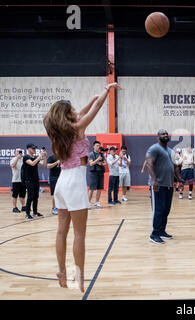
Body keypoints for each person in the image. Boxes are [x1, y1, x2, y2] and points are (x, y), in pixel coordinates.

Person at [43, 82, 121, 292]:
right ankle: (79, 277)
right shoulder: (77, 129)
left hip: (61, 182)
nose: (77, 111)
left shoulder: (59, 132)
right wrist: (107, 90)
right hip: (75, 182)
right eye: (73, 110)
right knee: (79, 234)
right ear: (68, 115)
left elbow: (85, 111)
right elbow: (94, 111)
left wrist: (92, 99)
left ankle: (61, 269)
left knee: (61, 231)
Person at [146, 129, 184, 244]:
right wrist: (154, 180)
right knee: (158, 210)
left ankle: (162, 231)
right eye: (163, 134)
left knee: (166, 210)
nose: (165, 135)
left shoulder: (171, 151)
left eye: (167, 133)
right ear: (158, 137)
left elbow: (175, 167)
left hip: (168, 185)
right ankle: (154, 234)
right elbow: (149, 163)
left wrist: (179, 179)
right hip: (158, 185)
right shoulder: (154, 148)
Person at [22, 144, 47, 220]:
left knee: (36, 196)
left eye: (35, 148)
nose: (34, 150)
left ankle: (35, 212)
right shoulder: (26, 157)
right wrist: (40, 156)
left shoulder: (35, 157)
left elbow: (44, 164)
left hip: (36, 179)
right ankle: (27, 213)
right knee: (30, 196)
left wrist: (44, 157)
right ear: (28, 149)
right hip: (29, 180)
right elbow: (32, 164)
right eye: (33, 148)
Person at [88, 141, 107, 208]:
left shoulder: (101, 154)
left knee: (99, 188)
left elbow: (105, 163)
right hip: (94, 173)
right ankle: (88, 203)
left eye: (99, 145)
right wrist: (97, 160)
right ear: (93, 146)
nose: (98, 147)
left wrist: (101, 163)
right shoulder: (91, 154)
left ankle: (97, 202)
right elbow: (91, 163)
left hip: (100, 173)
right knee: (92, 189)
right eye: (97, 145)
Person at [10, 148, 27, 213]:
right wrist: (17, 158)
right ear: (15, 153)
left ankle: (23, 206)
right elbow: (12, 166)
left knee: (22, 194)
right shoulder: (13, 159)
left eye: (20, 151)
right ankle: (14, 207)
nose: (19, 152)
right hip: (16, 180)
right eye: (17, 151)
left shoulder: (23, 159)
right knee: (15, 195)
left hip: (22, 180)